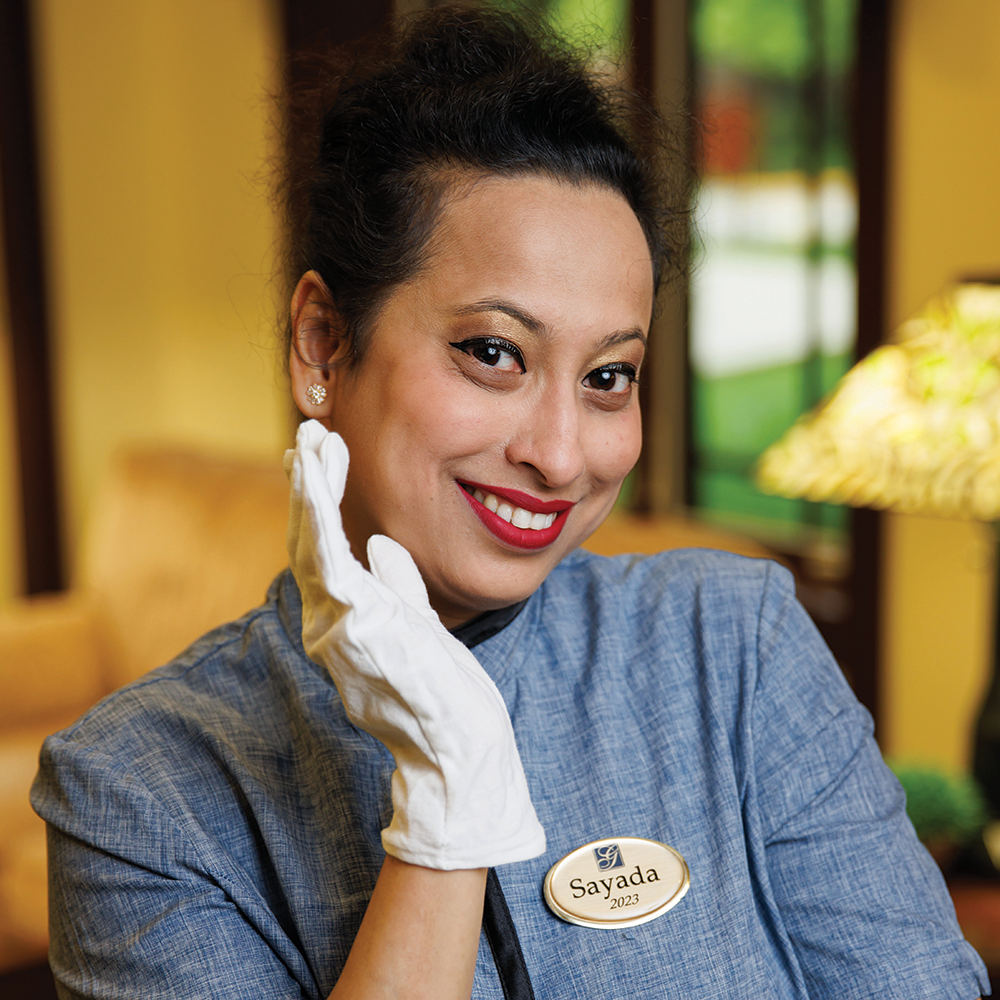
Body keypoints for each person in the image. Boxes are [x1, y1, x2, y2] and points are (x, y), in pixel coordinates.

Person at [31, 5, 989, 999]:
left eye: (609, 376)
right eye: (493, 353)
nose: (561, 453)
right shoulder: (136, 794)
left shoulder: (735, 649)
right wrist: (448, 808)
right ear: (322, 344)